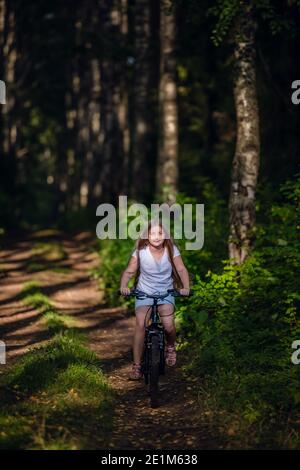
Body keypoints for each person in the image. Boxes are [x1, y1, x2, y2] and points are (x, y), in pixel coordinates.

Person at [119, 219, 190, 380]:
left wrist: (185, 287)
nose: (157, 236)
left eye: (160, 233)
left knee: (169, 326)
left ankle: (170, 347)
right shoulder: (140, 251)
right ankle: (137, 366)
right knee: (140, 325)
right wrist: (124, 286)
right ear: (147, 235)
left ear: (165, 235)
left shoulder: (172, 250)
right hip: (144, 292)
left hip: (166, 293)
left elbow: (181, 269)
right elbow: (130, 271)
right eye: (152, 233)